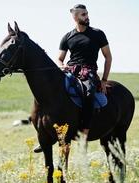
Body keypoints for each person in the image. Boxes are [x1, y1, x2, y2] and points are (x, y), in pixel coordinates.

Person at [34, 4, 112, 153]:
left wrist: (104, 80)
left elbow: (108, 57)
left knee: (89, 92)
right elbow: (59, 58)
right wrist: (61, 65)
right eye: (83, 14)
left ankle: (84, 132)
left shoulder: (98, 34)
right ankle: (45, 136)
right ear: (75, 17)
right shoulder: (67, 37)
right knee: (50, 92)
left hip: (88, 71)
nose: (87, 17)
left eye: (87, 14)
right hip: (69, 70)